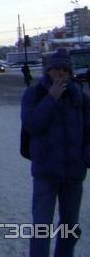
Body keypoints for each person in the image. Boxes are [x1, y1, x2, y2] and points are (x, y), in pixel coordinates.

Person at [21, 48, 90, 257]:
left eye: (65, 70)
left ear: (70, 72)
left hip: (73, 173)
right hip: (46, 172)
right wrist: (51, 99)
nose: (60, 74)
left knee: (69, 227)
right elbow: (32, 125)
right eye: (56, 69)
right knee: (42, 226)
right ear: (48, 71)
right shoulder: (34, 94)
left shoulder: (80, 96)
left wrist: (84, 158)